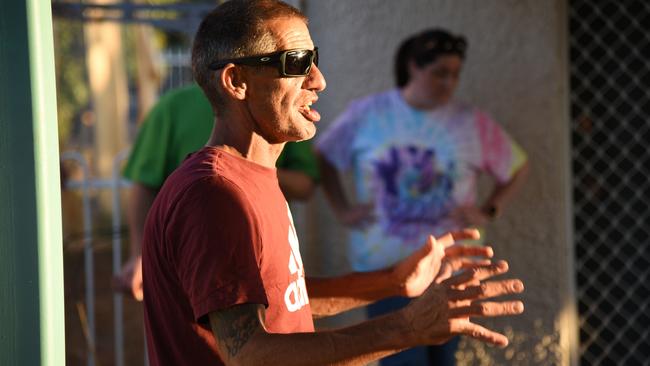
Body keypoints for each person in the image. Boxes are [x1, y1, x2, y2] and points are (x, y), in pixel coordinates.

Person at [142, 2, 525, 365]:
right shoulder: (214, 194)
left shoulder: (252, 178)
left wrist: (393, 282)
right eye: (298, 63)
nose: (319, 80)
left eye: (316, 59)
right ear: (236, 81)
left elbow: (283, 298)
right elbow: (249, 354)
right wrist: (408, 327)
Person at [315, 28, 530, 365]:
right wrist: (342, 210)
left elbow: (517, 165)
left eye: (455, 75)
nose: (449, 83)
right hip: (386, 273)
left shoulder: (470, 121)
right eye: (439, 73)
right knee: (401, 359)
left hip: (453, 271)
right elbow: (324, 156)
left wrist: (490, 209)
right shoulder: (368, 114)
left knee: (443, 360)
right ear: (413, 67)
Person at [115, 82, 320, 301]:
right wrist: (140, 253)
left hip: (264, 258)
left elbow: (305, 184)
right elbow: (145, 185)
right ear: (231, 77)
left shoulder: (281, 110)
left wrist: (249, 170)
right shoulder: (170, 108)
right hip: (187, 259)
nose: (317, 81)